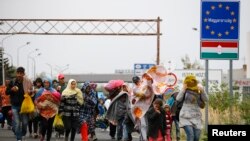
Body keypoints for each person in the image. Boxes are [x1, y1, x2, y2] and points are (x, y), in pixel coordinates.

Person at [176, 75, 208, 141]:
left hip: (196, 117)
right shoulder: (185, 89)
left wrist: (202, 91)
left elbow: (206, 99)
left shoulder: (199, 90)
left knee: (196, 137)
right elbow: (178, 99)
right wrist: (183, 89)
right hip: (185, 117)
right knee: (191, 135)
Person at [6, 67, 33, 141]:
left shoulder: (27, 82)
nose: (19, 75)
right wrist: (12, 89)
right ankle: (19, 138)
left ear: (23, 74)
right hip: (14, 106)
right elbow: (7, 92)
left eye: (21, 73)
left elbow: (31, 91)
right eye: (18, 73)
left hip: (24, 106)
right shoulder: (13, 82)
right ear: (16, 73)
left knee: (25, 123)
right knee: (17, 123)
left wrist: (30, 92)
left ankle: (21, 133)